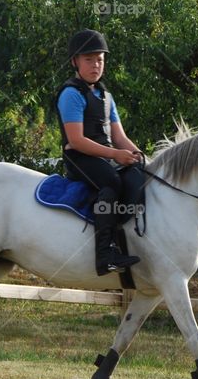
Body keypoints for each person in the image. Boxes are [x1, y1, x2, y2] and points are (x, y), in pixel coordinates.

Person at [56, 29, 145, 276]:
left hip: (103, 156)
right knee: (112, 181)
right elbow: (76, 141)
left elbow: (119, 137)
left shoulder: (106, 95)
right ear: (75, 61)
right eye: (89, 60)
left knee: (137, 175)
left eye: (100, 60)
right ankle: (105, 256)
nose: (96, 65)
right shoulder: (71, 94)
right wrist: (115, 155)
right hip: (79, 158)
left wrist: (139, 154)